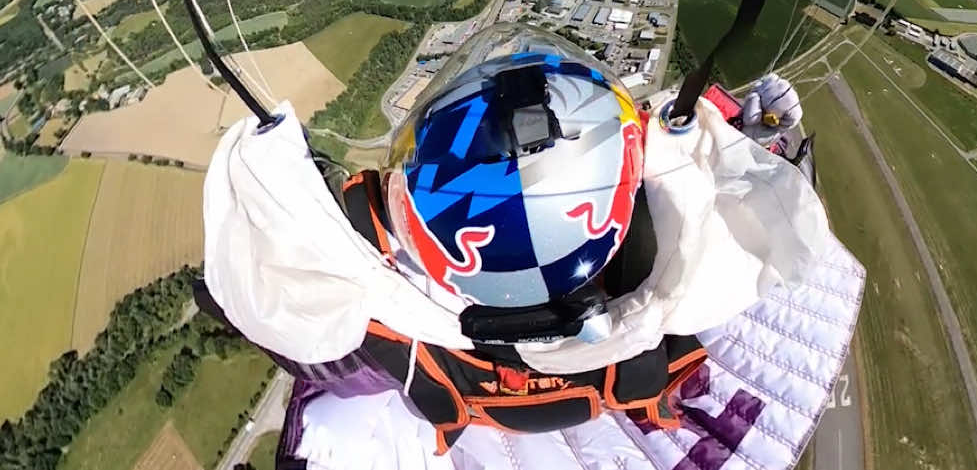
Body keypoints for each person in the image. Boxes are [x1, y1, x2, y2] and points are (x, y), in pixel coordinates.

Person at [200, 28, 863, 470]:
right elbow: (738, 232)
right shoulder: (678, 289)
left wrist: (258, 265)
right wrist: (742, 141)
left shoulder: (394, 336)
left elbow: (322, 340)